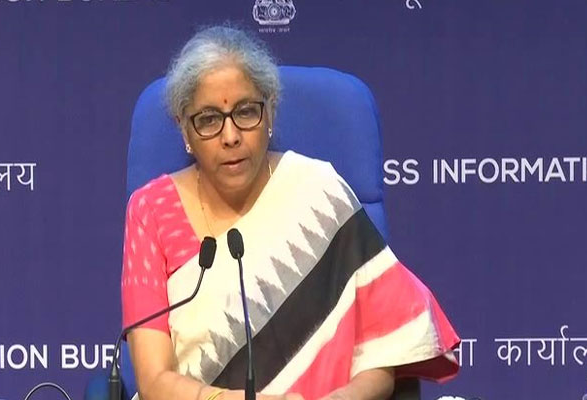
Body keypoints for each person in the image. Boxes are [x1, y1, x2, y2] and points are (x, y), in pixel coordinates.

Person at [121, 25, 460, 400]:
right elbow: (154, 380)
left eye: (245, 112)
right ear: (184, 129)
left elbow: (382, 356)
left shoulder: (320, 190)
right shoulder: (151, 211)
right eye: (209, 119)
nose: (230, 136)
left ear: (270, 113)